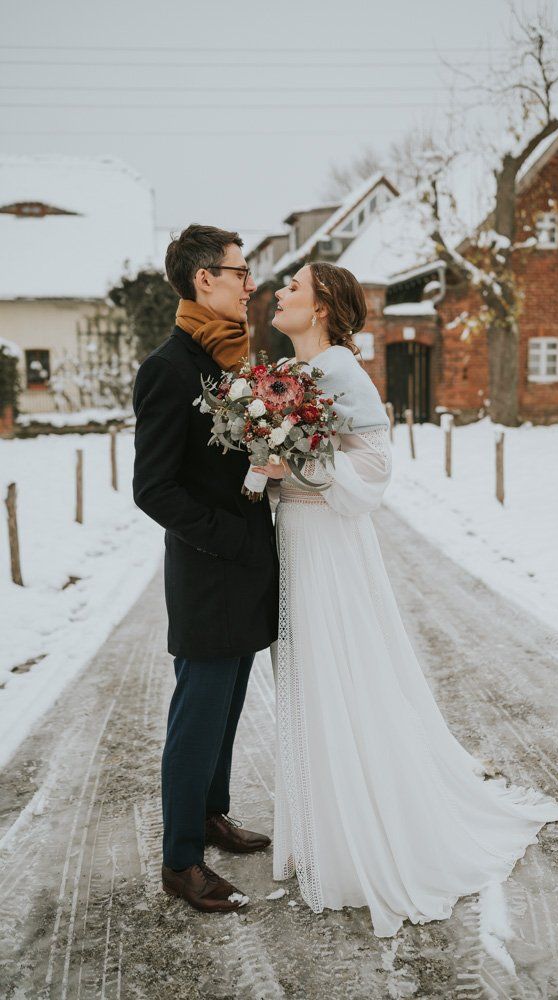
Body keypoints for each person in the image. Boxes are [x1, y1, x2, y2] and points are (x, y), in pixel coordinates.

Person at [251, 261, 558, 938]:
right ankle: (322, 828)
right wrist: (266, 469)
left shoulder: (338, 370)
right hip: (299, 537)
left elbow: (372, 474)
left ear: (319, 308)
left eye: (292, 288)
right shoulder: (295, 373)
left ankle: (357, 835)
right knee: (310, 676)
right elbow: (292, 460)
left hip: (330, 545)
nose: (277, 294)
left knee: (340, 674)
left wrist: (294, 465)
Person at [132, 225, 279, 914]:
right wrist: (230, 536)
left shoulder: (229, 362)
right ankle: (180, 860)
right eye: (239, 272)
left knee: (227, 710)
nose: (250, 284)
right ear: (203, 281)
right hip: (207, 572)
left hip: (247, 567)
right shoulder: (168, 368)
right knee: (196, 716)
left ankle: (213, 814)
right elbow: (153, 488)